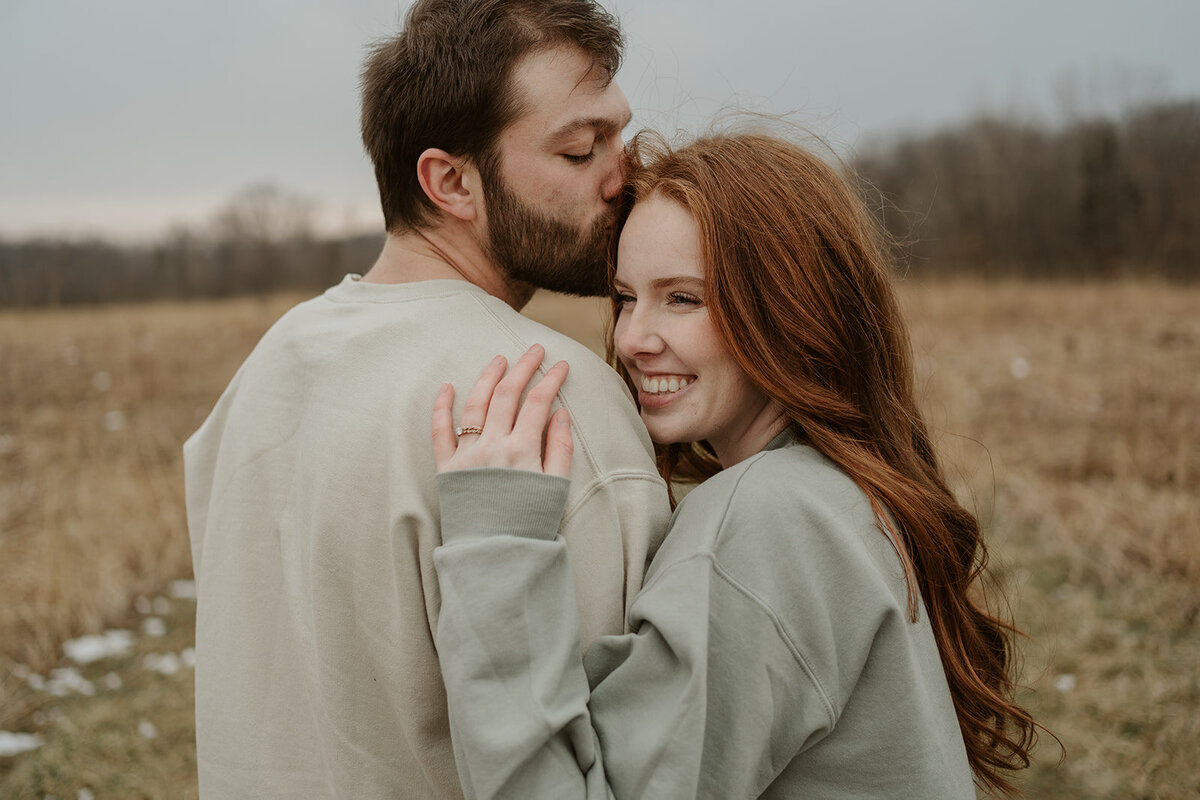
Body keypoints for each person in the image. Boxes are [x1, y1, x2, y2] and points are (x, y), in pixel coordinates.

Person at [430, 132, 1040, 798]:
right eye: (627, 297)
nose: (632, 339)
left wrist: (496, 542)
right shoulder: (836, 491)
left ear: (792, 306)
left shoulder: (768, 522)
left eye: (684, 298)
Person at [183, 2, 670, 797]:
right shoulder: (548, 395)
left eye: (619, 134)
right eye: (582, 149)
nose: (625, 176)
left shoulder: (269, 369)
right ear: (450, 181)